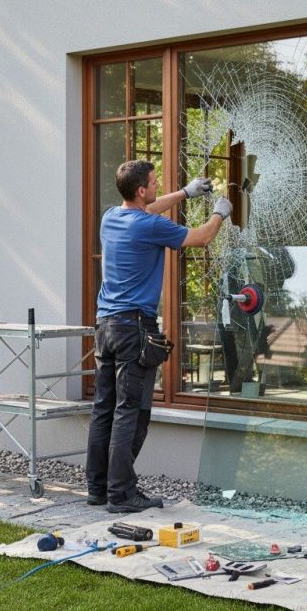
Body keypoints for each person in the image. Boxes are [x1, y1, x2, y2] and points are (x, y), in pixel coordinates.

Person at [86, 159, 233, 513]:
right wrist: (220, 212)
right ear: (140, 190)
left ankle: (98, 488)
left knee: (104, 408)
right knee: (130, 412)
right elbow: (201, 237)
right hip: (134, 329)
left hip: (105, 327)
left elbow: (148, 207)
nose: (156, 186)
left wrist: (185, 193)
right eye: (153, 182)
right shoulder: (149, 226)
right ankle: (121, 494)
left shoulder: (111, 217)